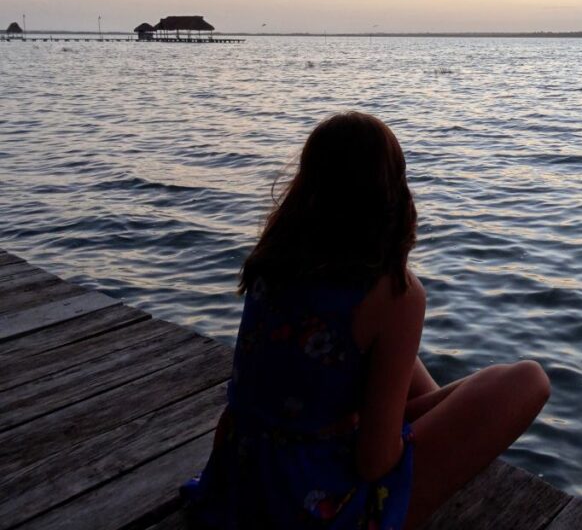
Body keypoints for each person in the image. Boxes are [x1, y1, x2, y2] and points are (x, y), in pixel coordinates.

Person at [181, 111, 550, 529]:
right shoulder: (394, 294)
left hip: (238, 486)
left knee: (393, 358)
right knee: (528, 380)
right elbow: (375, 463)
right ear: (393, 190)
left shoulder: (273, 263)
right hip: (311, 508)